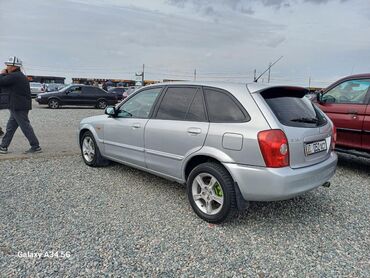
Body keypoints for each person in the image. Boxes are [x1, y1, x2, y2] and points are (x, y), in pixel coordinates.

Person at [0, 56, 41, 154]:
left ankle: (35, 146)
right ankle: (3, 146)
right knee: (10, 127)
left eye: (8, 65)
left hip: (18, 106)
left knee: (25, 126)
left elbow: (1, 82)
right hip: (17, 105)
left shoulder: (15, 76)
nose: (7, 67)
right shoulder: (17, 75)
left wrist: (2, 74)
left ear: (14, 67)